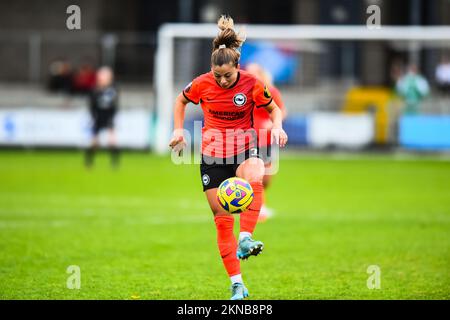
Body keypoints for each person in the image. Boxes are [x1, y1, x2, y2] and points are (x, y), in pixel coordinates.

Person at [169, 15, 288, 300]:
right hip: (212, 156)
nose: (222, 81)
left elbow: (274, 109)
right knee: (222, 221)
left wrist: (279, 127)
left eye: (228, 76)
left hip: (244, 148)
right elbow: (181, 100)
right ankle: (237, 283)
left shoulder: (251, 83)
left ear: (237, 67)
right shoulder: (202, 83)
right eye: (217, 75)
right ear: (212, 70)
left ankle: (246, 238)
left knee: (257, 173)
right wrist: (178, 129)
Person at [246, 63, 287, 222]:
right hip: (249, 138)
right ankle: (258, 207)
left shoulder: (270, 91)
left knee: (267, 178)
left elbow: (281, 110)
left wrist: (274, 124)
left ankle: (254, 201)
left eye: (253, 73)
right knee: (257, 174)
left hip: (266, 138)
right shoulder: (243, 93)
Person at [85, 66, 120, 168]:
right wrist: (93, 117)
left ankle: (115, 163)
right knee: (94, 142)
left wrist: (112, 117)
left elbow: (115, 105)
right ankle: (88, 162)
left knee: (112, 141)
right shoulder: (95, 90)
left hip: (108, 117)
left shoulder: (113, 90)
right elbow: (92, 105)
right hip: (98, 118)